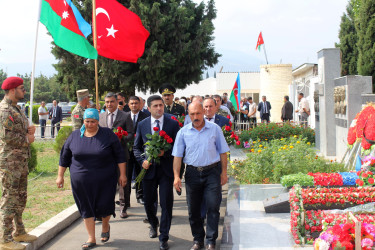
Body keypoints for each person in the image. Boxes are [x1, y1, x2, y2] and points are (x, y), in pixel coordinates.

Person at [57, 108, 127, 249]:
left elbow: (120, 155)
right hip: (80, 181)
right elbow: (64, 157)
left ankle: (105, 226)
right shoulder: (75, 136)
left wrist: (123, 174)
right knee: (85, 207)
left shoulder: (107, 135)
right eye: (87, 121)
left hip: (105, 179)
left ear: (97, 122)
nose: (89, 124)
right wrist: (60, 176)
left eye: (93, 122)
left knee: (104, 205)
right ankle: (91, 238)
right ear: (83, 121)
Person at [172, 102, 229, 250]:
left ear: (203, 112)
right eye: (192, 114)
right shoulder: (183, 132)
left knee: (212, 206)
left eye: (198, 113)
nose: (195, 117)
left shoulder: (215, 129)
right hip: (192, 174)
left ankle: (211, 241)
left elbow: (223, 152)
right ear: (188, 114)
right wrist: (176, 176)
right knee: (194, 209)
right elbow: (177, 156)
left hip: (212, 172)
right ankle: (198, 240)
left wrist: (224, 172)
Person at [133, 95, 180, 250]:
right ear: (148, 108)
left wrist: (164, 154)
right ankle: (153, 224)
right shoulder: (142, 124)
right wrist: (142, 161)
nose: (159, 108)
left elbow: (179, 148)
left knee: (167, 204)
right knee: (148, 203)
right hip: (148, 171)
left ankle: (164, 236)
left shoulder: (173, 125)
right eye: (155, 106)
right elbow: (136, 147)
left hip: (166, 171)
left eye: (161, 105)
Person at [0, 77, 37, 250]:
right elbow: (6, 136)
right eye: (22, 88)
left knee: (20, 197)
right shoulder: (5, 110)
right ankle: (5, 238)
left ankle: (19, 231)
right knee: (10, 199)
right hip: (10, 163)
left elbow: (19, 131)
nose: (24, 91)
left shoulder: (17, 109)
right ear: (13, 90)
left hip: (20, 161)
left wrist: (30, 130)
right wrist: (27, 139)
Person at [98, 92, 134, 219]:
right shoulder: (101, 117)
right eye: (107, 102)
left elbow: (131, 134)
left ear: (116, 102)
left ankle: (123, 207)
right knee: (106, 182)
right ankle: (107, 207)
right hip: (105, 156)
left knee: (123, 181)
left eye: (111, 102)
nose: (109, 104)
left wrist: (121, 137)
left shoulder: (125, 116)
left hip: (121, 154)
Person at [128, 96, 149, 205]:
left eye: (136, 103)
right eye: (132, 103)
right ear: (128, 104)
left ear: (140, 104)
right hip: (127, 151)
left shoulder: (146, 116)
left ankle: (140, 195)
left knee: (139, 173)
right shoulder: (125, 116)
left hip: (140, 150)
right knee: (127, 175)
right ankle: (125, 200)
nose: (134, 105)